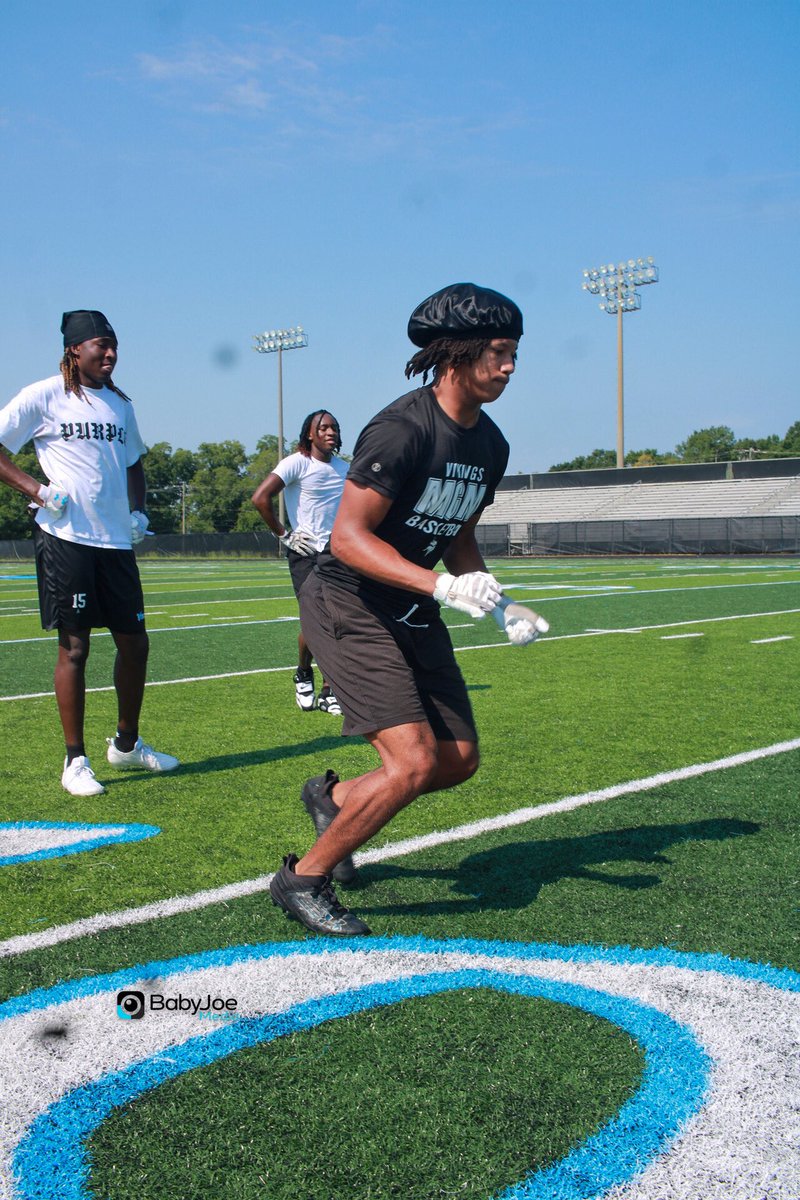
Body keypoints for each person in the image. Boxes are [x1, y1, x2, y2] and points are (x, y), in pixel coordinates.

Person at [269, 282, 544, 934]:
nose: (510, 366)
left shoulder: (491, 445)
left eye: (514, 353)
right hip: (349, 600)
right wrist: (443, 587)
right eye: (499, 353)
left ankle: (331, 800)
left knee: (456, 758)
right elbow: (348, 537)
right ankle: (301, 880)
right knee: (413, 761)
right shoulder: (403, 429)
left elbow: (459, 534)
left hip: (412, 605)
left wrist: (502, 603)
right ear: (457, 354)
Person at [0, 310, 179, 797]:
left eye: (115, 346)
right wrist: (36, 490)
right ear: (74, 349)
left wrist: (138, 510)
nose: (110, 354)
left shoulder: (121, 405)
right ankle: (75, 759)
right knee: (75, 648)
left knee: (136, 644)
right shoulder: (44, 395)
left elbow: (135, 463)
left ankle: (125, 743)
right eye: (101, 345)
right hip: (66, 538)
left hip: (116, 541)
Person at [251, 410, 348, 715]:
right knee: (316, 621)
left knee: (339, 621)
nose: (330, 432)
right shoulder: (297, 462)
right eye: (324, 427)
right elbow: (260, 498)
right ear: (310, 433)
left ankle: (330, 690)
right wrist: (284, 535)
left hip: (338, 554)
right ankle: (304, 672)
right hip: (306, 553)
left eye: (334, 427)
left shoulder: (345, 468)